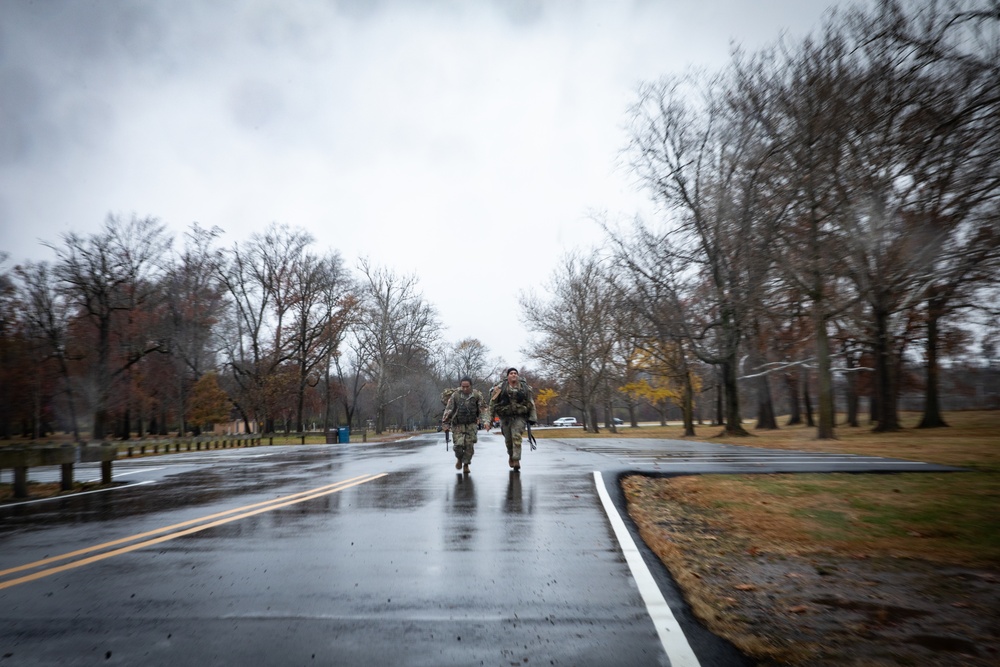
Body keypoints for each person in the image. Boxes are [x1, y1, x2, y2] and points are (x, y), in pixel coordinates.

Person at [489, 367, 537, 472]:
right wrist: (490, 419)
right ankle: (511, 455)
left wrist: (533, 417)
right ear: (508, 376)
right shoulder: (500, 387)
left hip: (519, 417)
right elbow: (493, 403)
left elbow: (531, 402)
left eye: (515, 373)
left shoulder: (524, 387)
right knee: (508, 440)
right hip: (505, 417)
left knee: (516, 437)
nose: (513, 375)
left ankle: (516, 460)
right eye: (511, 373)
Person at [442, 377, 488, 474]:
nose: (465, 389)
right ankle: (459, 458)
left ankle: (466, 465)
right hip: (458, 424)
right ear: (460, 386)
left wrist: (486, 421)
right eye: (463, 387)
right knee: (458, 445)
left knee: (469, 446)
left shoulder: (476, 395)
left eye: (467, 387)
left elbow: (483, 409)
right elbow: (448, 410)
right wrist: (445, 423)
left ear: (471, 386)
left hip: (471, 424)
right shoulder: (455, 395)